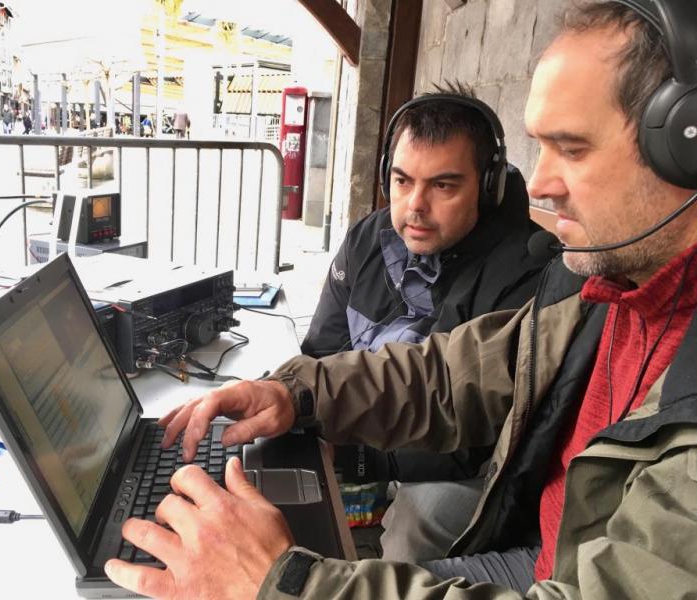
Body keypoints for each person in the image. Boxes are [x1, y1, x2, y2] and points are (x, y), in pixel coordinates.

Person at [105, 1, 697, 598]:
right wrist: (297, 393)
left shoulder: (559, 270)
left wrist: (289, 587)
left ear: (686, 145)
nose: (540, 183)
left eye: (571, 149)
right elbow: (451, 376)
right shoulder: (600, 292)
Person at [301, 86, 546, 559]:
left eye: (443, 186)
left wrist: (357, 456)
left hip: (463, 462)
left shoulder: (524, 275)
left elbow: (477, 435)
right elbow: (321, 353)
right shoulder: (368, 238)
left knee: (420, 517)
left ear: (489, 186)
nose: (415, 205)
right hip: (369, 437)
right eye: (402, 181)